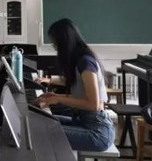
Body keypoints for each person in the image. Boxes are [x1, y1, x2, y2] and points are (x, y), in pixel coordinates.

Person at [35, 18, 115, 152]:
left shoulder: (86, 62)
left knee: (43, 133)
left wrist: (58, 99)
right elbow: (80, 92)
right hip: (83, 121)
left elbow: (93, 104)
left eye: (55, 43)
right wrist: (54, 95)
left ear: (64, 42)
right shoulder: (79, 60)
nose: (55, 47)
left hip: (98, 132)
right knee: (41, 121)